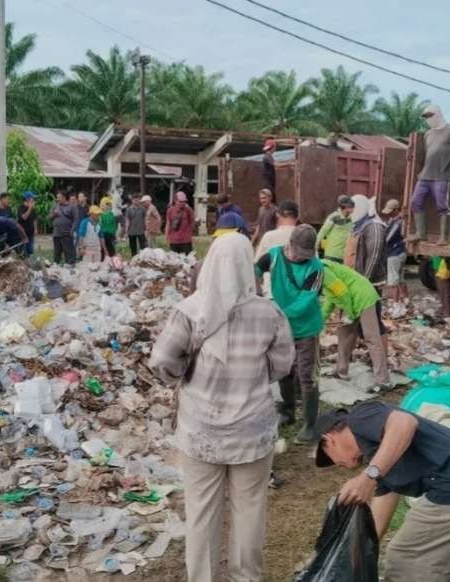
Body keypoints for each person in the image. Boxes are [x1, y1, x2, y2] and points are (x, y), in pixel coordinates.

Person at [149, 233, 294, 582]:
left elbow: (162, 361)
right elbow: (283, 365)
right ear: (248, 266)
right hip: (252, 432)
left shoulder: (189, 311)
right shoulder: (269, 313)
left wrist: (185, 375)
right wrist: (252, 377)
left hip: (201, 431)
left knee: (201, 513)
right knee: (250, 511)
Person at [313, 402, 450, 580]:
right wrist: (352, 554)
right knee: (436, 555)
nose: (337, 464)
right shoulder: (381, 456)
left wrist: (368, 477)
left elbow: (405, 423)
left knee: (406, 555)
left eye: (330, 458)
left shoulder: (360, 416)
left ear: (329, 439)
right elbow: (377, 521)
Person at [255, 224, 324, 441]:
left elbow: (306, 300)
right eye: (299, 252)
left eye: (306, 254)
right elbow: (254, 270)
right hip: (283, 328)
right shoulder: (274, 256)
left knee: (307, 376)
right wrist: (255, 290)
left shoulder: (316, 268)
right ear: (290, 244)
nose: (302, 257)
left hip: (307, 328)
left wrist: (278, 314)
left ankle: (310, 424)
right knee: (284, 370)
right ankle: (287, 412)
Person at [407, 105, 450, 244]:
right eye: (425, 117)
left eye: (430, 116)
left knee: (442, 206)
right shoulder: (428, 134)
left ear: (438, 115)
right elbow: (429, 152)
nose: (427, 120)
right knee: (415, 202)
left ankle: (443, 238)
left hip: (442, 175)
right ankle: (421, 234)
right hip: (425, 175)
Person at [322, 258, 391, 390]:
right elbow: (331, 298)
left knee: (371, 337)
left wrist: (350, 314)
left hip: (363, 296)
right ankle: (341, 370)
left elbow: (342, 292)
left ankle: (383, 381)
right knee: (344, 334)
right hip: (350, 298)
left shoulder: (322, 272)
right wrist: (321, 320)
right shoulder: (316, 271)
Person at [381, 199, 408, 302]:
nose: (389, 214)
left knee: (393, 282)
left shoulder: (398, 223)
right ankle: (405, 301)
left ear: (396, 210)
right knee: (401, 279)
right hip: (401, 252)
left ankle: (396, 304)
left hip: (394, 254)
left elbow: (388, 239)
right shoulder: (398, 220)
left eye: (391, 211)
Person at [317, 195, 355, 263]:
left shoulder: (351, 219)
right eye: (350, 206)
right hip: (331, 256)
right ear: (345, 207)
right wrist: (314, 251)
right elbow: (322, 233)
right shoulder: (333, 217)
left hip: (344, 257)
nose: (353, 208)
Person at [50, 191, 76, 265]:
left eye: (59, 197)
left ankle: (70, 264)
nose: (57, 199)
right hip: (56, 233)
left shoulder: (71, 207)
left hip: (67, 233)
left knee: (68, 251)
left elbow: (76, 220)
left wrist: (72, 230)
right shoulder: (55, 206)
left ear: (64, 197)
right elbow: (50, 217)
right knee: (57, 251)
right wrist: (54, 214)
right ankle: (56, 264)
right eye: (57, 197)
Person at [70, 192, 89, 261]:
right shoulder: (76, 207)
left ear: (85, 198)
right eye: (78, 197)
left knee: (84, 245)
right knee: (74, 245)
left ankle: (82, 259)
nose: (79, 198)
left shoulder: (88, 208)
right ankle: (73, 259)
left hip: (85, 230)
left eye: (81, 196)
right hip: (76, 229)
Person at [16, 192, 37, 257]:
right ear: (27, 199)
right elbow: (24, 218)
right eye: (32, 198)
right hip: (23, 233)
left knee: (31, 251)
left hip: (30, 233)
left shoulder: (32, 208)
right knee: (24, 252)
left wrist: (35, 229)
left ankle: (30, 261)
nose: (33, 199)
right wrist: (30, 208)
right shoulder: (21, 208)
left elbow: (34, 219)